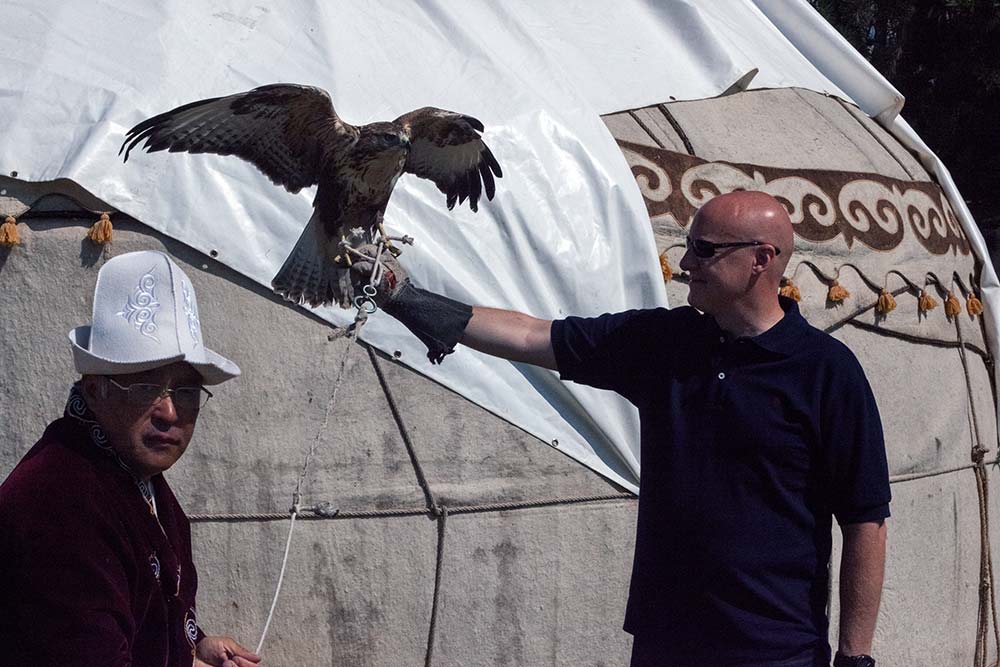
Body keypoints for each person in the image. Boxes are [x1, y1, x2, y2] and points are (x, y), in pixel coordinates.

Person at [351, 191, 890, 667]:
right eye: (688, 246)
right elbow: (534, 336)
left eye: (704, 250)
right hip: (665, 641)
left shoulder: (826, 372)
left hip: (775, 650)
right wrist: (408, 299)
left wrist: (855, 656)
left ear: (761, 260)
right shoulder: (664, 343)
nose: (685, 264)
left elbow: (865, 519)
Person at [0, 250, 261, 667]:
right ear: (94, 390)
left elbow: (143, 609)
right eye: (144, 386)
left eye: (186, 391)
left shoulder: (127, 474)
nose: (170, 412)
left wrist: (193, 647)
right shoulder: (58, 504)